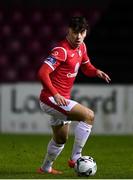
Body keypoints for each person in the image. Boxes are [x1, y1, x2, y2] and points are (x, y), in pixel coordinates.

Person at [37, 16, 111, 175]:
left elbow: (86, 67)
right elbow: (43, 73)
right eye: (74, 32)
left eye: (81, 32)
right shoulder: (61, 50)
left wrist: (96, 71)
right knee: (89, 116)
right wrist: (55, 94)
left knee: (60, 139)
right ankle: (76, 157)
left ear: (85, 33)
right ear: (68, 31)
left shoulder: (82, 47)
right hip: (51, 99)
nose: (78, 36)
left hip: (62, 99)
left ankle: (45, 168)